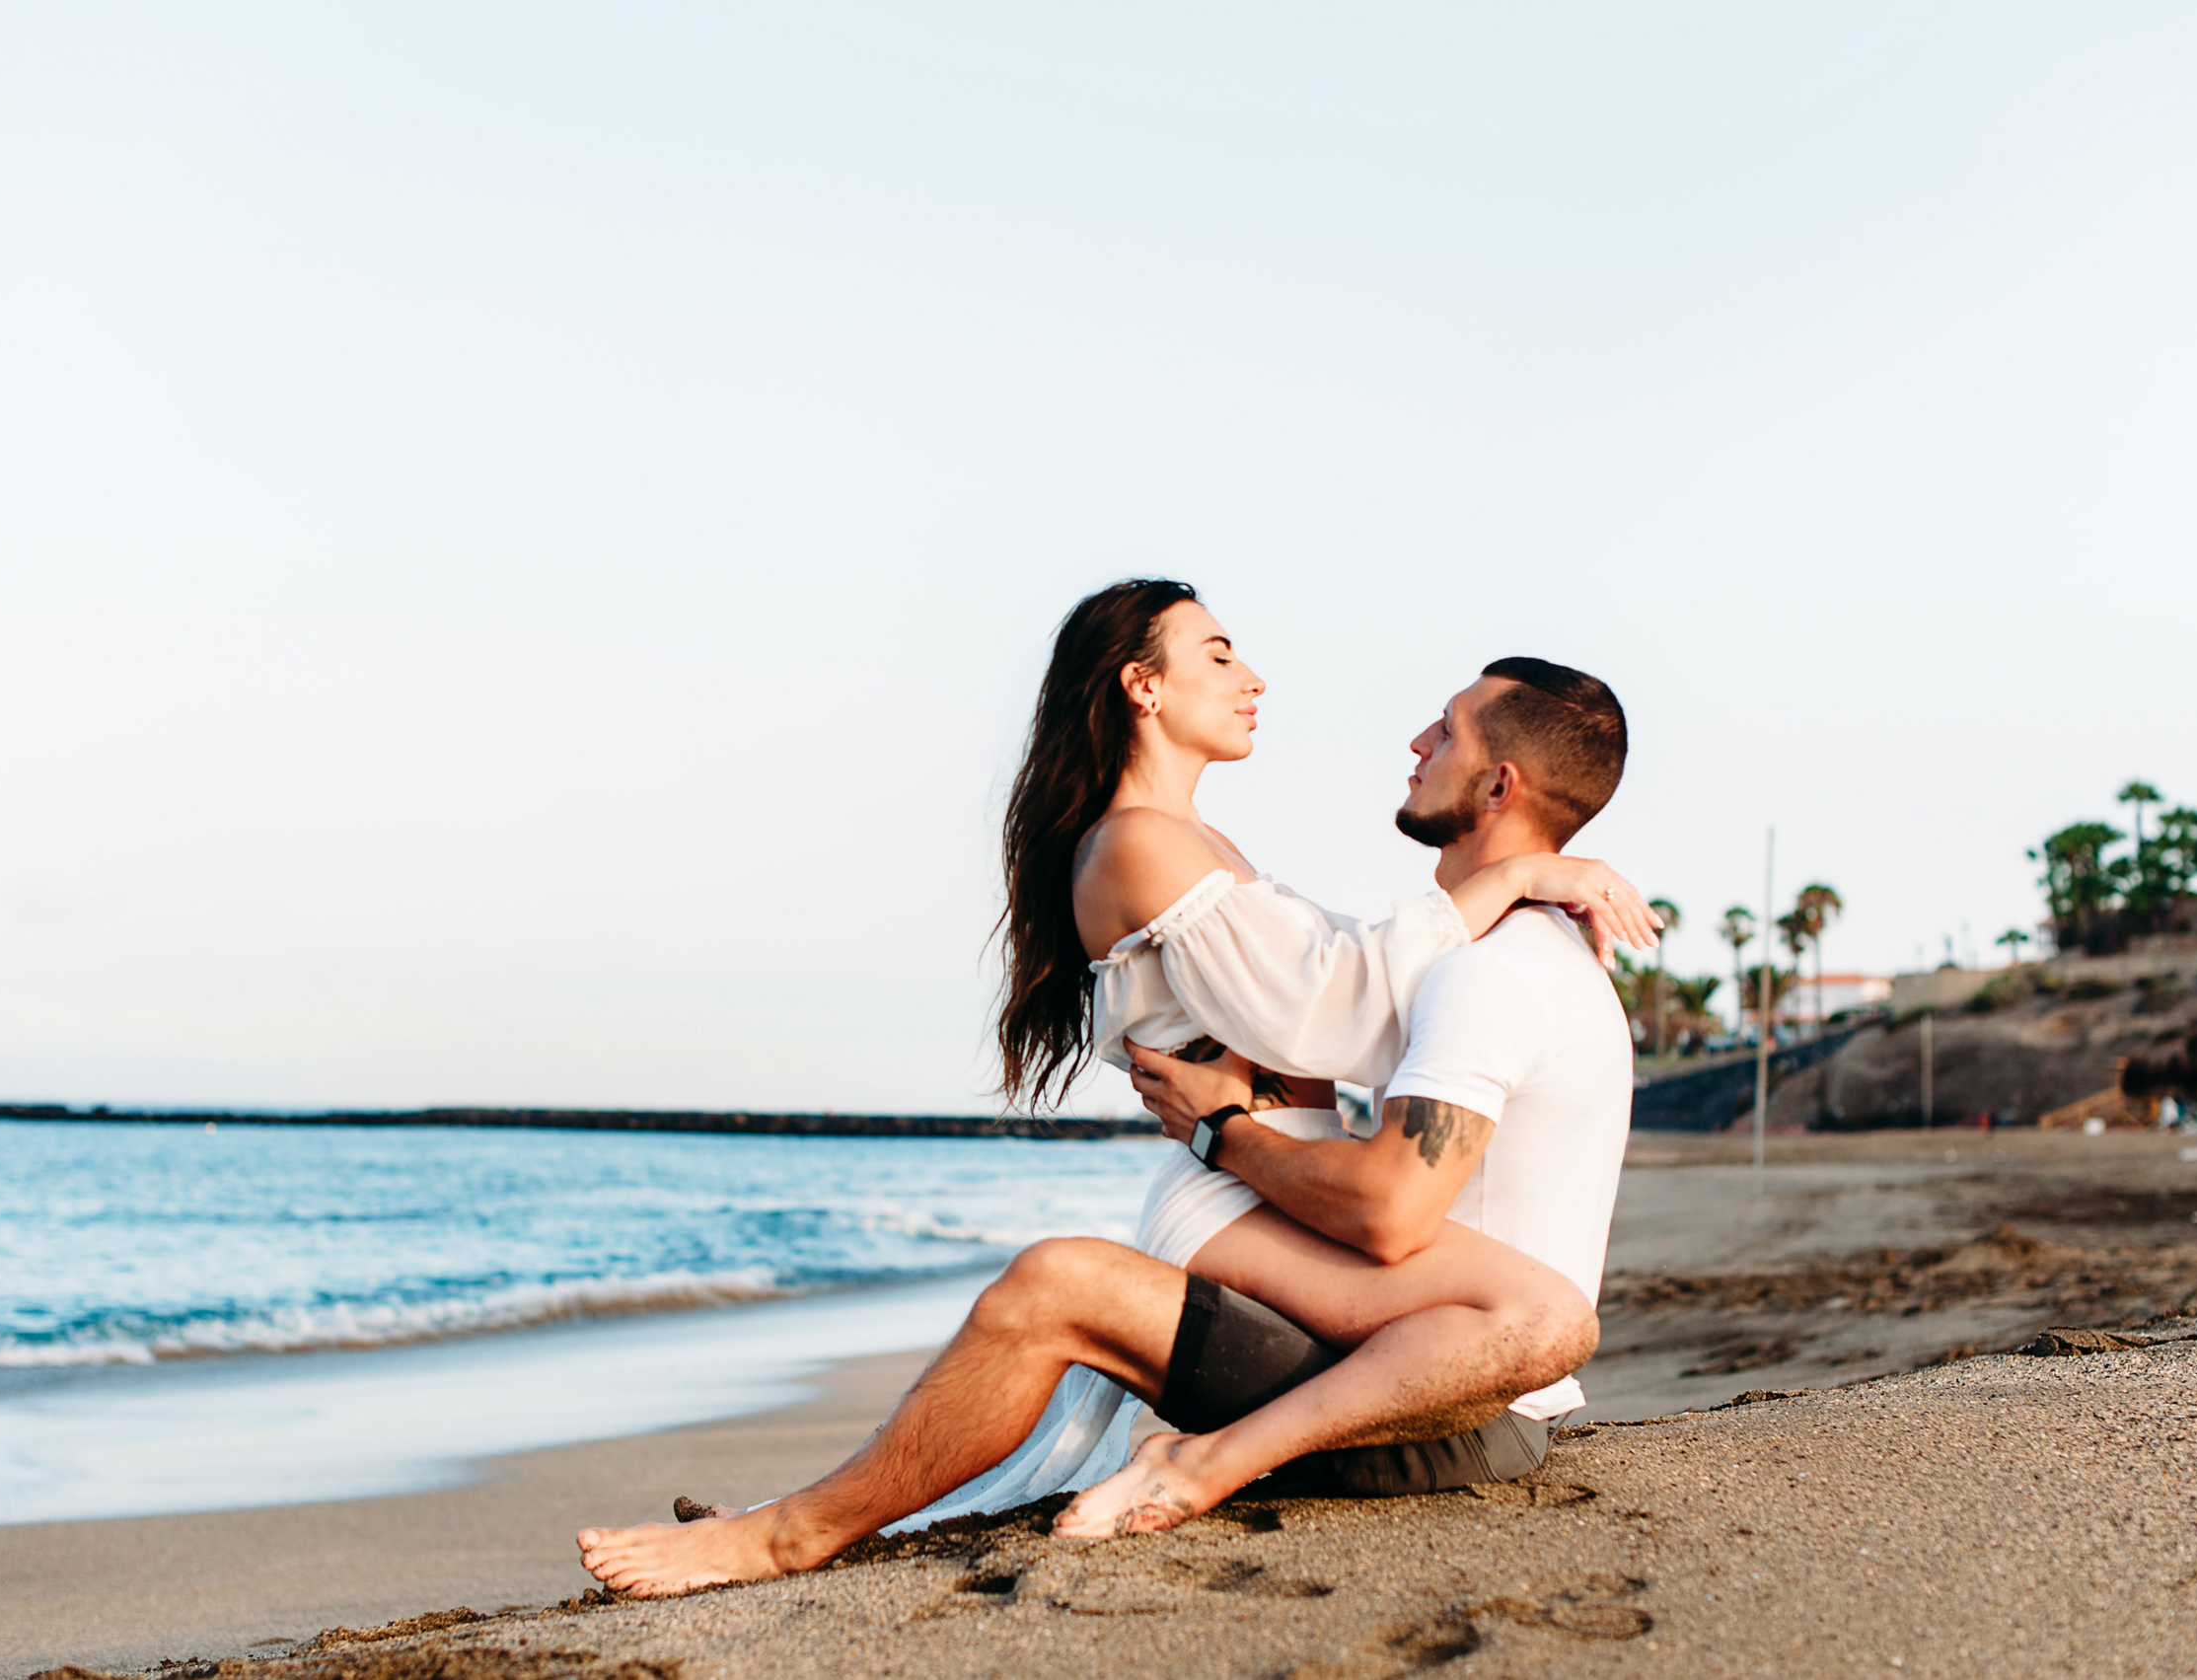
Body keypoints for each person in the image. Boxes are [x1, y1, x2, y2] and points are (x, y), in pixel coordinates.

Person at [577, 584, 1641, 1592]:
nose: (1252, 676)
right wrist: (1515, 877)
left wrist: (1515, 891)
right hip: (1251, 1207)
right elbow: (1324, 1006)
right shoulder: (1137, 844)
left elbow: (1341, 1015)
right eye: (1218, 654)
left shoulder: (1225, 856)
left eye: (1445, 730)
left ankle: (821, 1517)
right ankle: (789, 1527)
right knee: (1067, 1287)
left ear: (1498, 783)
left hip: (1289, 1203)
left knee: (1527, 1311)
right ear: (1141, 686)